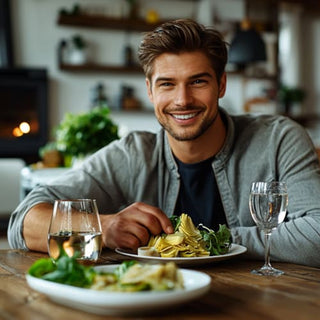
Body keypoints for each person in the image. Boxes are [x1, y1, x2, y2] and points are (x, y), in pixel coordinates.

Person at [8, 19, 320, 267]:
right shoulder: (132, 155)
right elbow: (22, 225)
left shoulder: (279, 139)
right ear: (150, 91)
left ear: (221, 84)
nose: (182, 100)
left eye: (198, 81)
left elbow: (317, 237)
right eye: (167, 84)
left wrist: (204, 242)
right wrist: (101, 229)